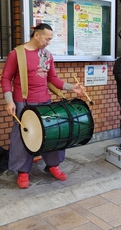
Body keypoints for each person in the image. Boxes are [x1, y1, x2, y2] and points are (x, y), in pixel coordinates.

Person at [0, 23, 84, 189]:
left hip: (44, 101)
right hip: (23, 102)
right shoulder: (17, 54)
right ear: (36, 35)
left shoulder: (47, 55)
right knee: (23, 136)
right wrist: (9, 100)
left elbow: (53, 78)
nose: (48, 42)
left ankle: (53, 165)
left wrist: (70, 87)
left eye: (50, 39)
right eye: (47, 38)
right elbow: (5, 78)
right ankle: (23, 171)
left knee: (52, 133)